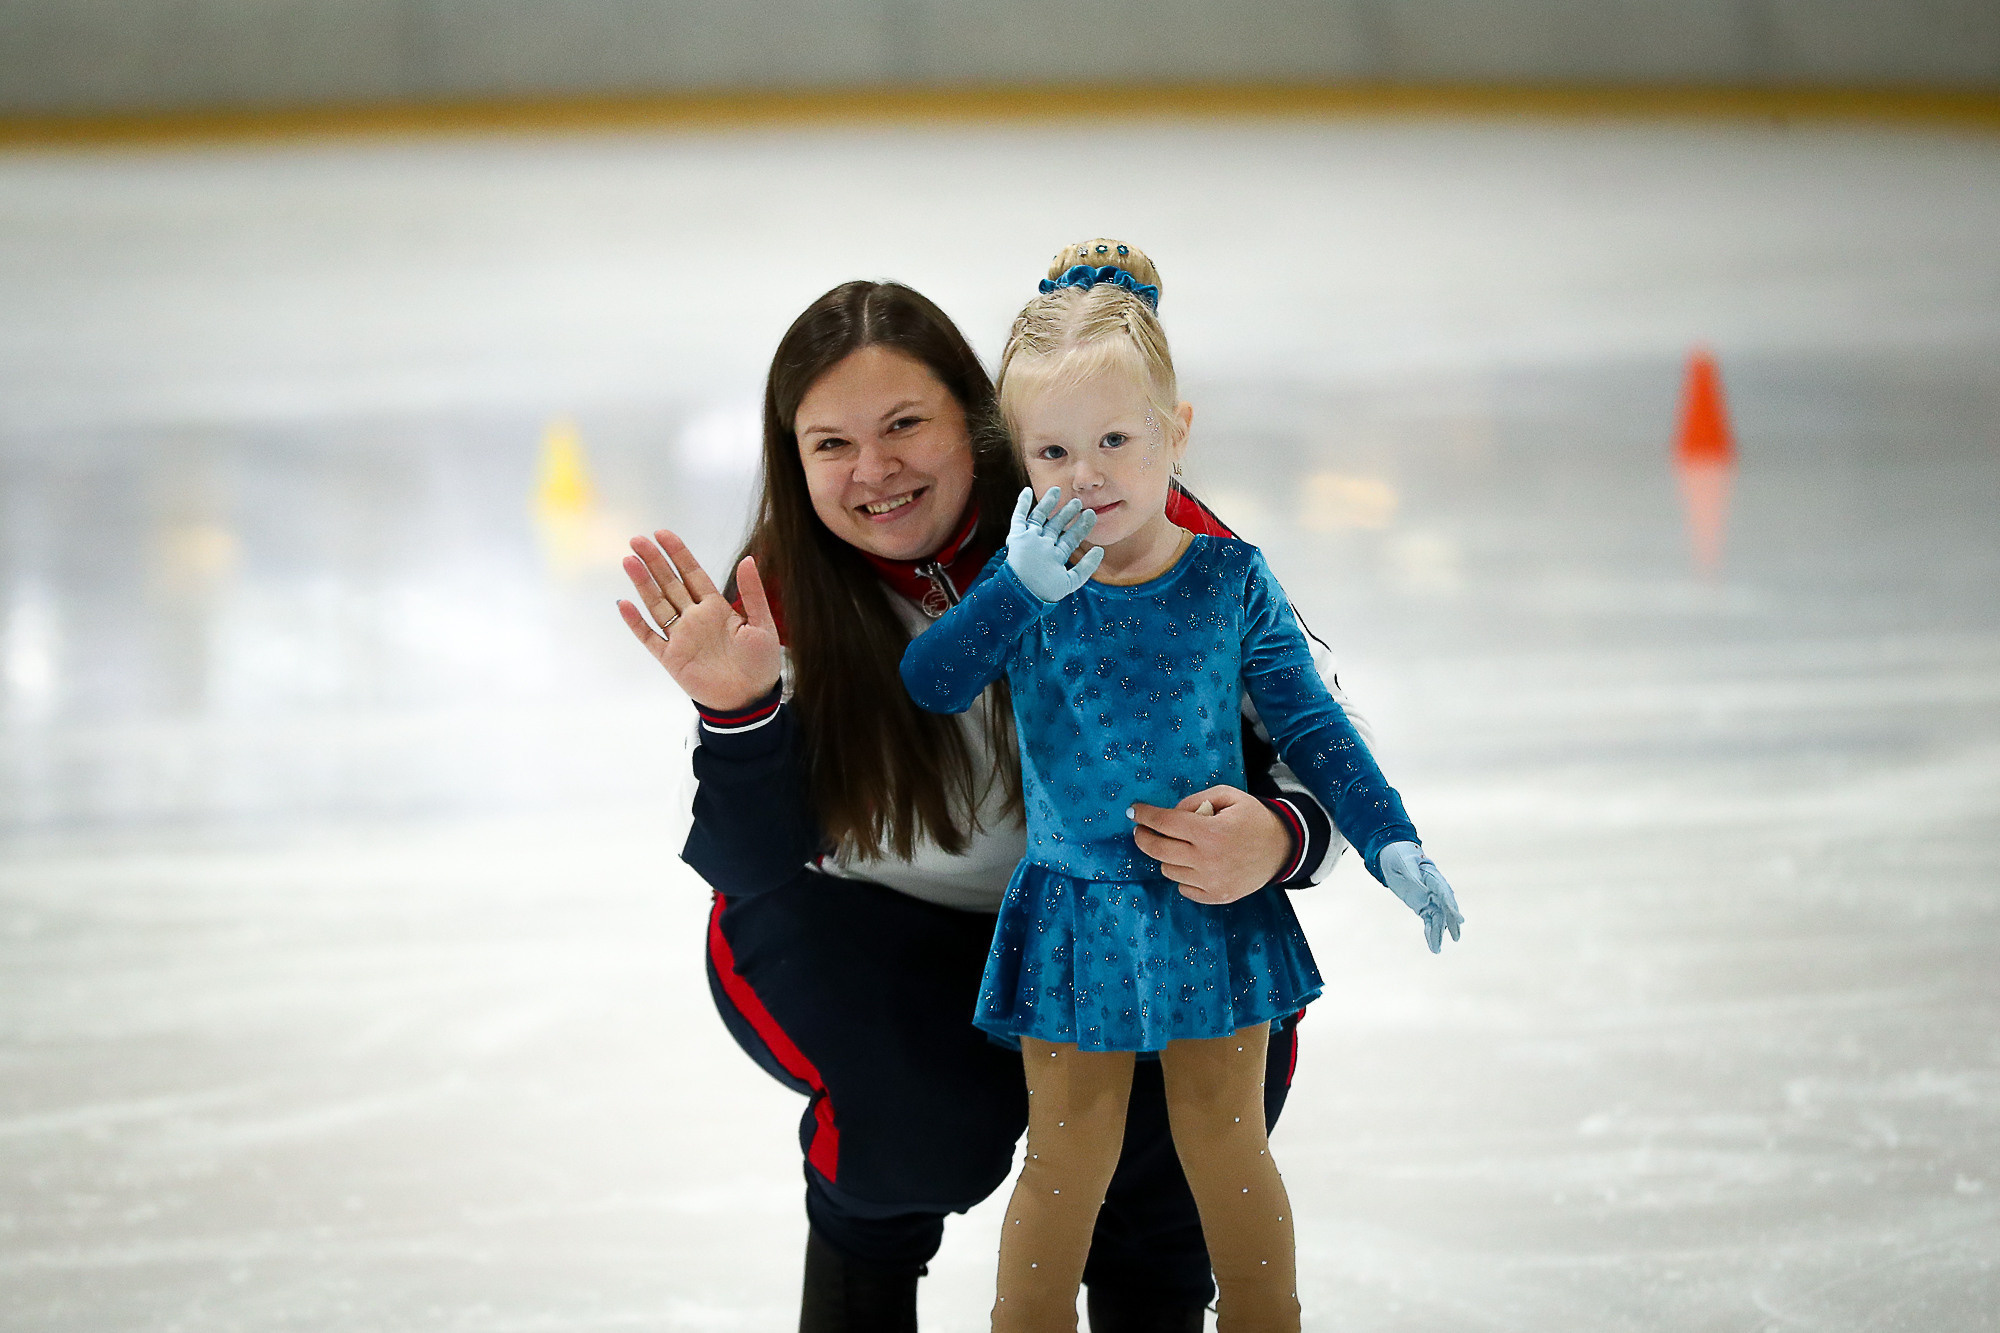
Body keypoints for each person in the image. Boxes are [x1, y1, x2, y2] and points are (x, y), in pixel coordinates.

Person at [616, 277, 1362, 1332]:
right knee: (918, 1129)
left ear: (978, 425)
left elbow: (1318, 742)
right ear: (793, 461)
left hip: (1104, 911)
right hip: (866, 935)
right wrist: (736, 716)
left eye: (904, 424)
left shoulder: (1133, 532)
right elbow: (748, 864)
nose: (873, 470)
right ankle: (860, 1263)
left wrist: (1279, 840)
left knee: (1171, 1152)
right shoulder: (772, 598)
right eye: (830, 444)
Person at [899, 240, 1464, 1333]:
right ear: (1019, 462)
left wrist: (1390, 841)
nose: (1087, 474)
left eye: (1114, 438)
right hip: (1074, 911)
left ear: (1175, 433)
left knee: (1225, 1142)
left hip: (1211, 908)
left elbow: (1310, 724)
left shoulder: (1229, 579)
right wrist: (1013, 591)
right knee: (1065, 1156)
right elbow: (931, 682)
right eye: (1053, 449)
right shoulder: (1023, 587)